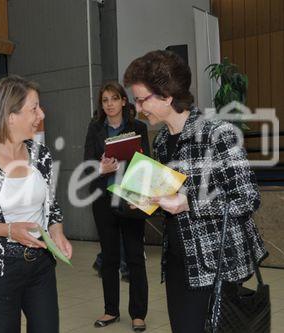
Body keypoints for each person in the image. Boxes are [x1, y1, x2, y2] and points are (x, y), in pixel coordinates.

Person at [123, 50, 268, 333]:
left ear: (166, 95)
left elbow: (248, 197)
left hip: (218, 264)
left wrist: (188, 203)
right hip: (179, 262)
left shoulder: (218, 133)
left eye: (142, 100)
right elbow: (171, 194)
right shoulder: (163, 140)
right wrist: (147, 200)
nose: (139, 108)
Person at [0, 75, 72, 333]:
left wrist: (57, 232)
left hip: (40, 262)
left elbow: (52, 205)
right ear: (10, 116)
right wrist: (9, 230)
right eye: (34, 108)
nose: (41, 114)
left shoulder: (41, 155)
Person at [83, 82, 149, 331]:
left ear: (124, 101)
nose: (109, 104)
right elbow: (86, 166)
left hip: (131, 200)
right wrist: (101, 169)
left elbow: (147, 165)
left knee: (135, 257)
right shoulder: (95, 129)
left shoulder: (138, 128)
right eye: (105, 100)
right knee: (109, 258)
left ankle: (138, 313)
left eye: (114, 99)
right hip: (103, 199)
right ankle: (111, 310)